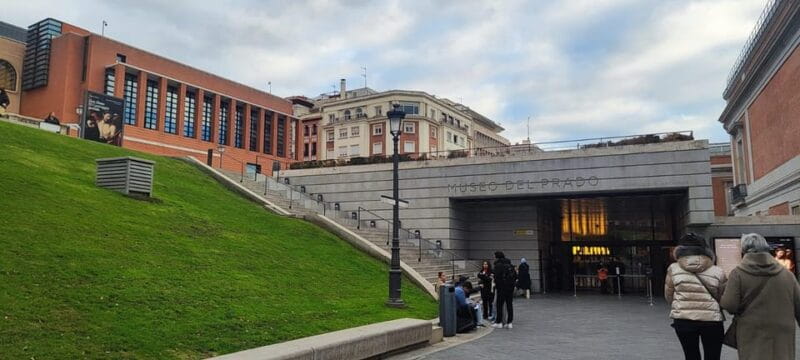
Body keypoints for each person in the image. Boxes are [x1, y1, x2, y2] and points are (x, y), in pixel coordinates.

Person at [721, 233, 800, 360]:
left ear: (744, 250)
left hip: (752, 329)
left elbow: (730, 305)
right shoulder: (786, 274)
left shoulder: (738, 274)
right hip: (782, 330)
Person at [665, 233, 727, 360]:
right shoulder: (717, 271)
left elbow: (669, 295)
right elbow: (723, 297)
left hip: (684, 320)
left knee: (691, 355)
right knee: (713, 357)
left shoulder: (673, 269)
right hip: (712, 321)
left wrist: (681, 305)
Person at [492, 251, 516, 329]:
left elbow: (496, 277)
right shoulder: (510, 265)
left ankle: (499, 322)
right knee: (509, 305)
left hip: (501, 288)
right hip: (510, 288)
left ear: (497, 256)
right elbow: (515, 276)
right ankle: (509, 322)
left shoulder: (497, 265)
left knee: (499, 305)